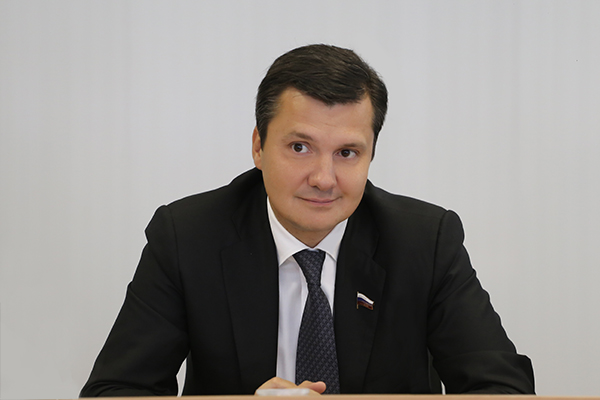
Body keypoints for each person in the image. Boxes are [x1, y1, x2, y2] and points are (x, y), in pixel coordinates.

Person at [80, 44, 534, 396]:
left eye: (347, 153)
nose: (323, 178)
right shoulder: (188, 237)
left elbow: (502, 389)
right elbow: (115, 392)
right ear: (258, 147)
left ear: (371, 156)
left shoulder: (424, 241)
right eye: (300, 147)